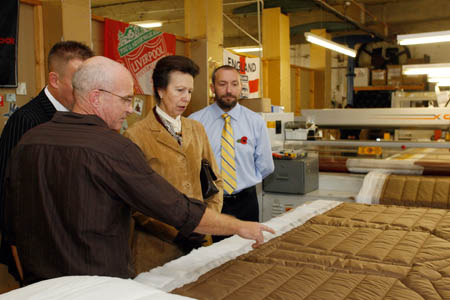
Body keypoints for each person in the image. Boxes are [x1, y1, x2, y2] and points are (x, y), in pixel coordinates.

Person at [3, 56, 274, 285]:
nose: (130, 109)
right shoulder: (116, 146)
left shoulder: (30, 140)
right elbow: (173, 208)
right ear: (96, 97)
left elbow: (12, 221)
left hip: (40, 285)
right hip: (100, 283)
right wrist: (237, 225)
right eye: (125, 99)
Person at [0, 40, 93, 280]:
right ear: (54, 80)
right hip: (37, 251)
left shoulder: (82, 118)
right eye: (77, 82)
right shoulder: (27, 120)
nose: (86, 89)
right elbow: (8, 194)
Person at [124, 55, 223, 272]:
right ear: (160, 90)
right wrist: (176, 232)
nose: (186, 98)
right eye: (179, 90)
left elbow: (215, 183)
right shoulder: (136, 136)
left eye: (189, 91)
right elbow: (136, 204)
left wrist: (207, 222)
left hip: (200, 244)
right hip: (157, 248)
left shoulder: (197, 130)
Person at [189, 65, 274, 241]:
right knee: (212, 259)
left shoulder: (255, 122)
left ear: (241, 88)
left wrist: (245, 180)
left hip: (247, 203)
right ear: (212, 88)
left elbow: (266, 166)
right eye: (222, 84)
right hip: (210, 205)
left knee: (248, 256)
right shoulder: (195, 122)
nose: (229, 90)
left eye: (234, 84)